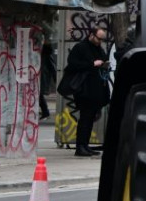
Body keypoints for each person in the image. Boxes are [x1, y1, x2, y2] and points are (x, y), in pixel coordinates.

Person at [64, 28, 112, 156]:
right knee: (85, 118)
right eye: (98, 38)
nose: (100, 41)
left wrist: (104, 64)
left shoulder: (97, 48)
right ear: (91, 35)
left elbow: (103, 59)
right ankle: (80, 146)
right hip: (84, 89)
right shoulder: (80, 47)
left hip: (96, 89)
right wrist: (92, 64)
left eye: (102, 39)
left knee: (90, 118)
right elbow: (73, 64)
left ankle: (85, 145)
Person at [36, 30, 56, 121]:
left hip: (41, 76)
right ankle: (45, 112)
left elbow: (52, 66)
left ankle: (45, 112)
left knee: (39, 94)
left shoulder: (46, 52)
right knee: (38, 94)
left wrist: (56, 78)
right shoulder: (38, 50)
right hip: (37, 75)